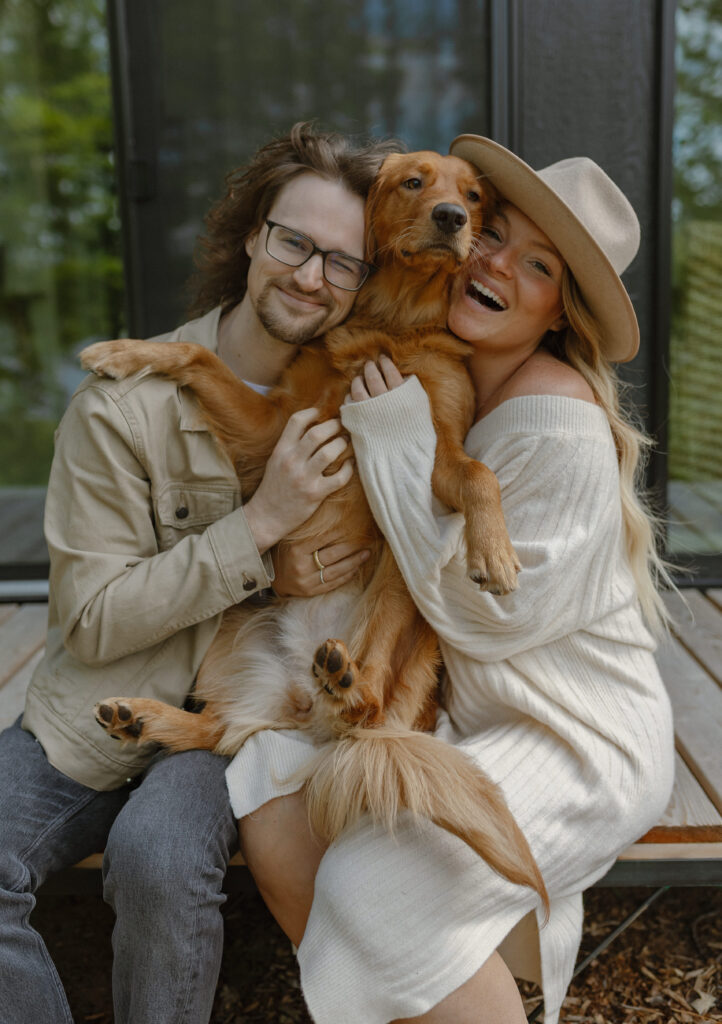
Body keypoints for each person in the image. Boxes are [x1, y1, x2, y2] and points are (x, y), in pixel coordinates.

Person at [224, 136, 676, 1024]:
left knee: (370, 882)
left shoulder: (555, 421)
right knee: (274, 791)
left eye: (537, 264)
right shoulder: (463, 373)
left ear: (557, 313)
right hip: (477, 712)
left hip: (574, 738)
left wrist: (390, 435)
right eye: (495, 232)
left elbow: (477, 616)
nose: (494, 258)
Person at [0, 122, 402, 1024]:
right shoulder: (122, 405)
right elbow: (91, 621)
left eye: (343, 262)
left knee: (158, 860)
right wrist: (262, 535)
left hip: (235, 720)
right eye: (295, 242)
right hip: (99, 701)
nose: (311, 276)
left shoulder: (357, 396)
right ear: (252, 235)